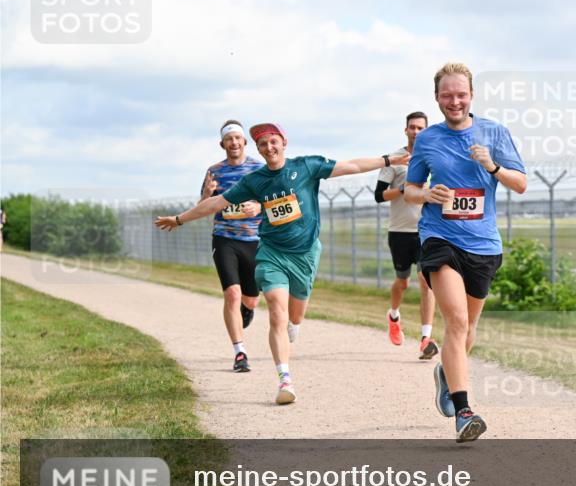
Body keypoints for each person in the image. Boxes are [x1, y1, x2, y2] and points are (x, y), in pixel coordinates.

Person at [156, 123, 409, 405]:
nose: (269, 148)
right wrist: (179, 219)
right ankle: (284, 379)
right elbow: (216, 204)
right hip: (271, 253)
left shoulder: (307, 166)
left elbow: (351, 165)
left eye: (273, 142)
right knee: (277, 310)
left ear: (284, 142)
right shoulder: (255, 180)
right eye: (263, 145)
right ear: (259, 150)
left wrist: (387, 160)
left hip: (305, 254)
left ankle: (295, 324)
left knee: (295, 316)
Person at [404, 62, 527, 442]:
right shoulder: (428, 140)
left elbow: (520, 183)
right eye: (446, 95)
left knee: (468, 329)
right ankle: (464, 411)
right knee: (456, 322)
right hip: (439, 237)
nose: (454, 101)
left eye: (460, 94)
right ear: (437, 98)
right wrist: (427, 194)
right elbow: (410, 191)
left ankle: (446, 372)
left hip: (483, 243)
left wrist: (491, 166)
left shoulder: (494, 132)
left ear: (471, 96)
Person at [199, 120, 264, 373]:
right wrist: (207, 194)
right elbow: (203, 206)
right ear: (222, 144)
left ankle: (246, 311)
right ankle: (239, 352)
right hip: (225, 238)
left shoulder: (259, 169)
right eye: (229, 139)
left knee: (251, 299)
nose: (234, 143)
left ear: (245, 142)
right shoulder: (214, 171)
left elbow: (272, 200)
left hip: (255, 240)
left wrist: (258, 206)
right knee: (232, 294)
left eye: (238, 138)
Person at [373, 111, 438, 359]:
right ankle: (394, 315)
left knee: (426, 282)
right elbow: (379, 196)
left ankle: (425, 339)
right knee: (403, 282)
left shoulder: (433, 158)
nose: (416, 132)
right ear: (406, 130)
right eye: (412, 127)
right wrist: (403, 189)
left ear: (426, 131)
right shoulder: (397, 160)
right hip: (399, 232)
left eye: (421, 128)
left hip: (427, 231)